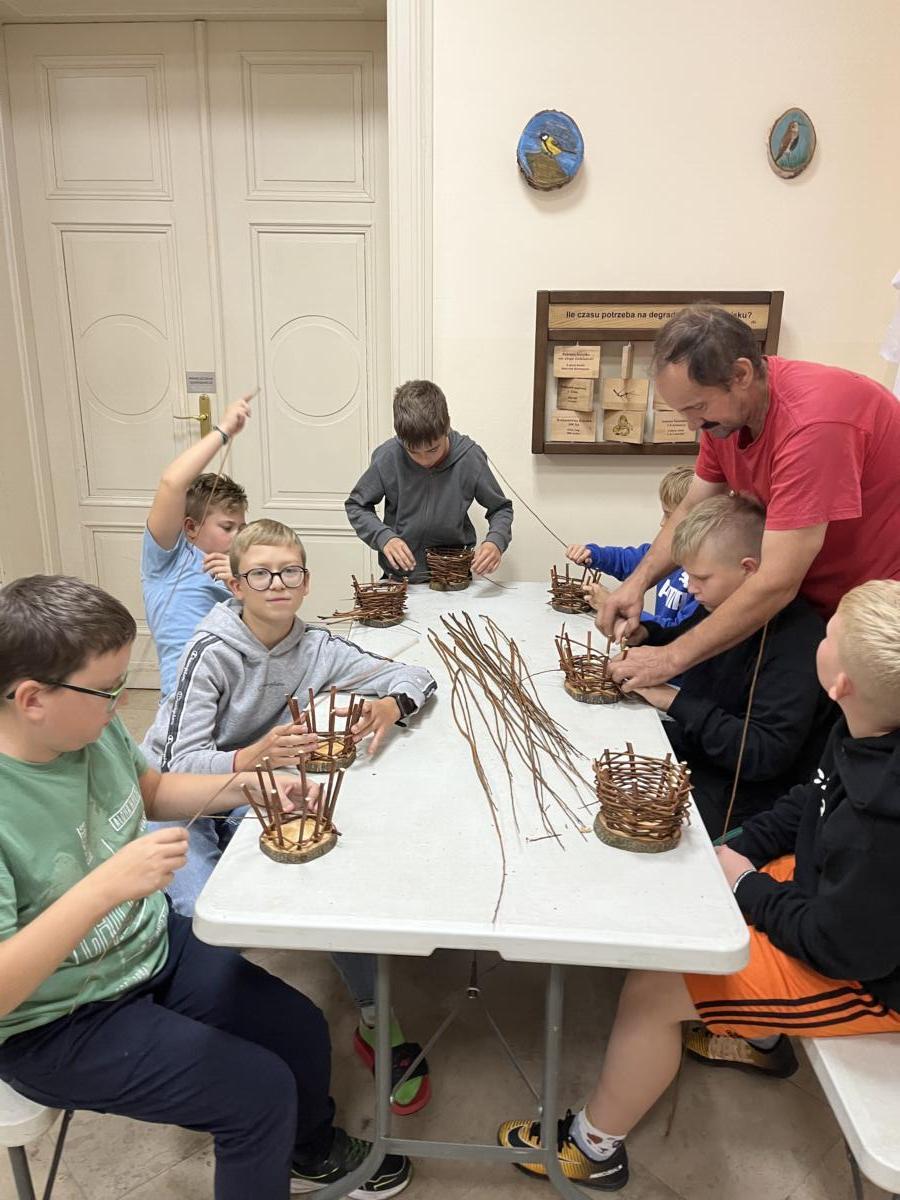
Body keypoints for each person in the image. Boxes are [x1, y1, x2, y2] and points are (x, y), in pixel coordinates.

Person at [0, 574, 411, 1200]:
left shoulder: (91, 730)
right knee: (256, 1094)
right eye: (108, 690)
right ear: (32, 699)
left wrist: (246, 786)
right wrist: (106, 887)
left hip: (146, 947)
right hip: (54, 1020)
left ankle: (308, 1153)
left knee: (300, 1028)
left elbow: (154, 791)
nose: (120, 704)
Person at [499, 579, 900, 1192]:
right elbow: (811, 801)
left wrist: (747, 888)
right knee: (695, 901)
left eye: (830, 635)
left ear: (840, 681)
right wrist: (739, 849)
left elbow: (839, 945)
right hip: (837, 901)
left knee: (657, 986)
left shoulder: (881, 821)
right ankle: (760, 1040)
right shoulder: (865, 726)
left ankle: (593, 1148)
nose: (818, 634)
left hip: (869, 979)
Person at [142, 519, 437, 1115]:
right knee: (207, 917)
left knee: (326, 879)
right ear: (237, 586)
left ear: (305, 583)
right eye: (260, 574)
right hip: (183, 797)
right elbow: (175, 765)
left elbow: (418, 674)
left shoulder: (316, 647)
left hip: (259, 785)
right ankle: (218, 1033)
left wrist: (389, 704)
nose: (276, 584)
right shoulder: (211, 650)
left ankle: (375, 1015)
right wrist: (253, 756)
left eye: (289, 572)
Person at [598, 305, 900, 692]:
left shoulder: (814, 424)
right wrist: (637, 584)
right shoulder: (725, 420)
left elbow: (777, 580)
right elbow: (691, 506)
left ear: (741, 374)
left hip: (871, 623)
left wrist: (669, 659)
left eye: (697, 407)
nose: (692, 425)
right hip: (806, 610)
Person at [627, 493, 834, 834]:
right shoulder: (717, 605)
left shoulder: (797, 641)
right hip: (699, 754)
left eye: (701, 577)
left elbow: (762, 755)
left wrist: (673, 700)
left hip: (744, 799)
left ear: (748, 569)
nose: (691, 588)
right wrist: (645, 635)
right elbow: (682, 639)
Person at [345, 379, 513, 583]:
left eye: (433, 449)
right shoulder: (388, 456)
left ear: (447, 426)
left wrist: (495, 541)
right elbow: (357, 506)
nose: (425, 460)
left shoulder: (470, 458)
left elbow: (501, 509)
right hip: (400, 580)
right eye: (413, 452)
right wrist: (383, 537)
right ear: (400, 437)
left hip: (453, 577)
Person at [141, 395, 251, 699]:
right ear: (190, 527)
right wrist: (224, 430)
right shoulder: (168, 559)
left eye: (242, 528)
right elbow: (172, 483)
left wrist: (240, 581)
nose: (238, 536)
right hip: (187, 693)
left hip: (236, 690)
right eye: (227, 528)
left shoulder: (242, 568)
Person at [566, 465, 698, 627]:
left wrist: (613, 605)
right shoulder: (665, 554)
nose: (662, 523)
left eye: (669, 516)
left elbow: (677, 631)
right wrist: (591, 553)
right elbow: (625, 561)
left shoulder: (704, 581)